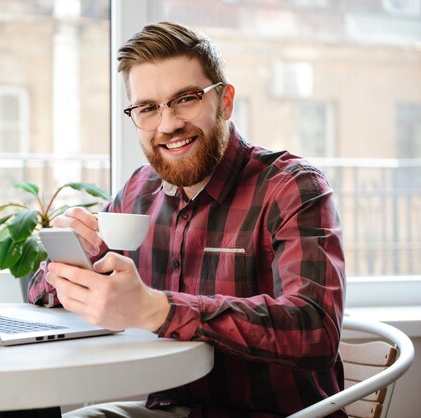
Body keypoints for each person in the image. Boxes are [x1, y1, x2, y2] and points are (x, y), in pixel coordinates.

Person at [28, 21, 346, 418]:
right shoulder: (139, 191)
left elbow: (314, 330)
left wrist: (156, 310)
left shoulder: (292, 187)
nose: (168, 124)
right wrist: (71, 261)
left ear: (225, 101)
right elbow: (42, 293)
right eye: (148, 108)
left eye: (186, 99)